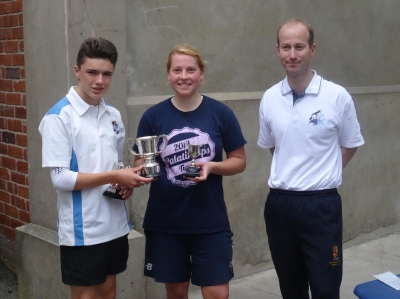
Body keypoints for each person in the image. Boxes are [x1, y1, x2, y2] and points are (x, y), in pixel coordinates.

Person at [38, 37, 153, 299]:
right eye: (92, 72)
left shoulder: (113, 114)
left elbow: (113, 165)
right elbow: (60, 178)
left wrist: (124, 183)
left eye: (106, 74)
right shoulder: (59, 116)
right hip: (82, 230)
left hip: (114, 225)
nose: (99, 80)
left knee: (109, 293)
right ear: (77, 71)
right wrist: (114, 175)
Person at [257, 19, 364, 299]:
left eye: (299, 47)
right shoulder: (269, 98)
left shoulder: (337, 96)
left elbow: (350, 145)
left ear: (312, 49)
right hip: (280, 205)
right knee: (290, 288)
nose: (292, 54)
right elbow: (274, 147)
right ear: (277, 50)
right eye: (286, 47)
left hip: (320, 206)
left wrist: (321, 171)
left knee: (325, 287)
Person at [134, 44, 247, 299]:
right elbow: (139, 163)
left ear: (201, 73)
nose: (184, 76)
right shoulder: (153, 116)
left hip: (210, 219)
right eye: (177, 70)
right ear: (168, 75)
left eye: (190, 70)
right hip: (167, 221)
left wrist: (212, 166)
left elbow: (239, 160)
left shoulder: (221, 113)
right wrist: (138, 174)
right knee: (175, 294)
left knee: (218, 294)